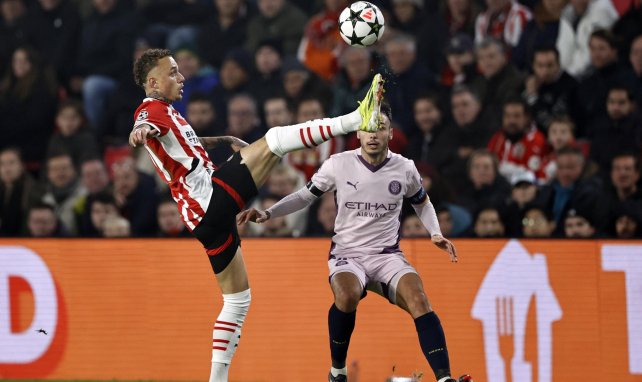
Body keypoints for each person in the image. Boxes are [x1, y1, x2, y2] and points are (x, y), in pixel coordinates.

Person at [128, 48, 384, 382]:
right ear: (153, 81)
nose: (181, 77)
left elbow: (180, 140)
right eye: (173, 72)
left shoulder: (167, 113)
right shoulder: (151, 110)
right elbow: (143, 128)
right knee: (276, 139)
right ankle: (355, 119)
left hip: (203, 221)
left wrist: (223, 139)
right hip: (209, 199)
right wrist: (139, 132)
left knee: (237, 300)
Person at [237, 103, 465, 382]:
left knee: (420, 300)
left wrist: (435, 233)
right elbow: (305, 196)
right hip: (348, 255)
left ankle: (444, 378)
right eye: (367, 129)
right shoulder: (338, 164)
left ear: (390, 134)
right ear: (357, 133)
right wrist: (269, 212)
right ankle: (338, 371)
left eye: (379, 128)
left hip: (386, 256)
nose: (373, 134)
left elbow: (422, 203)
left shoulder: (404, 168)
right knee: (346, 296)